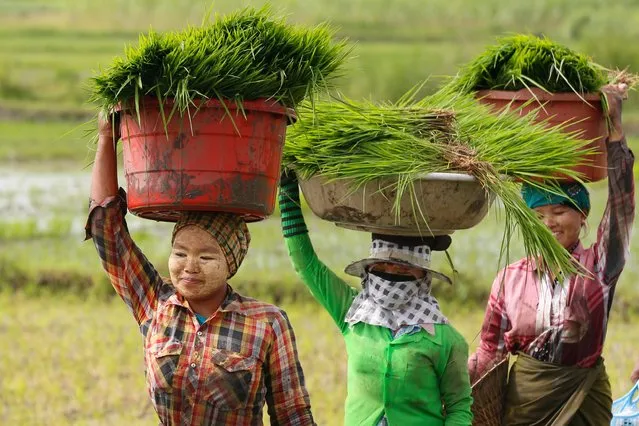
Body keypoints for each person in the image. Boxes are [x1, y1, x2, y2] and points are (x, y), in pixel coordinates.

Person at [86, 114, 315, 425]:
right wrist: (106, 138)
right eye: (180, 253)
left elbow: (293, 416)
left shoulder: (267, 323)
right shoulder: (156, 305)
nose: (189, 267)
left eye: (206, 258)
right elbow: (107, 231)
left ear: (231, 264)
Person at [468, 83, 634, 425]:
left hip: (584, 402)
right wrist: (452, 383)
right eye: (538, 215)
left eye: (559, 211)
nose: (549, 223)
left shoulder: (599, 266)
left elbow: (621, 210)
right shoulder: (509, 279)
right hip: (524, 408)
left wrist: (615, 133)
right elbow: (490, 352)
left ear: (581, 215)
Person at [279, 173, 473, 426]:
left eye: (404, 271)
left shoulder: (446, 340)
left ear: (423, 276)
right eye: (383, 266)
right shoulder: (352, 313)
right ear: (368, 269)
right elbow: (307, 265)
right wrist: (287, 191)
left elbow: (459, 407)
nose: (391, 275)